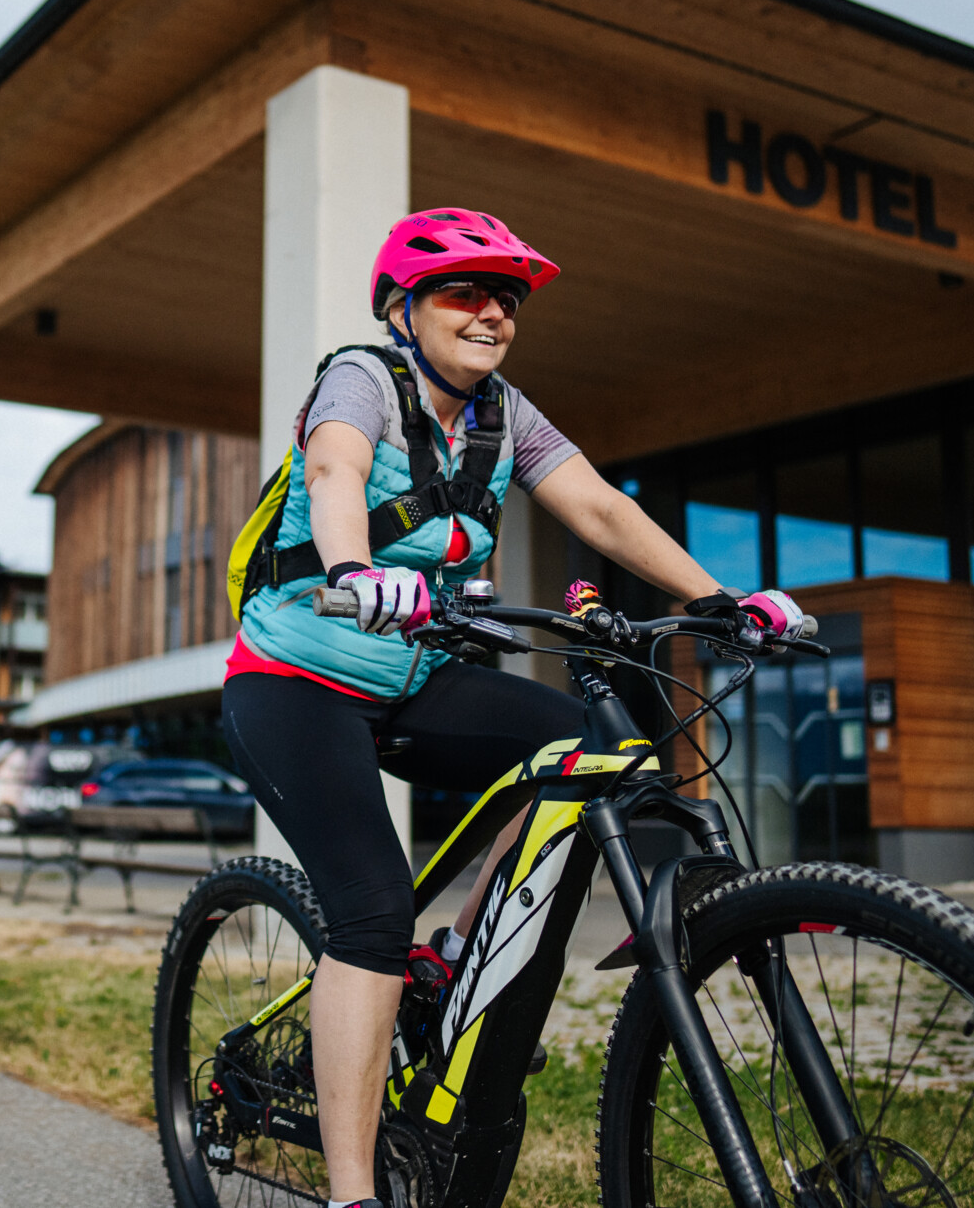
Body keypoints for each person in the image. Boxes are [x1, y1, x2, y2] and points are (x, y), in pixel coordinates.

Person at [223, 208, 804, 1208]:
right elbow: (335, 471)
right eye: (464, 291)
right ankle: (357, 1190)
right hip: (293, 680)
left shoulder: (504, 412)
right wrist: (356, 567)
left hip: (410, 673)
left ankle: (457, 957)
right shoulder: (363, 376)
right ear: (405, 308)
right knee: (368, 910)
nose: (491, 311)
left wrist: (716, 601)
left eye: (508, 297)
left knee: (591, 749)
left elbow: (603, 510)